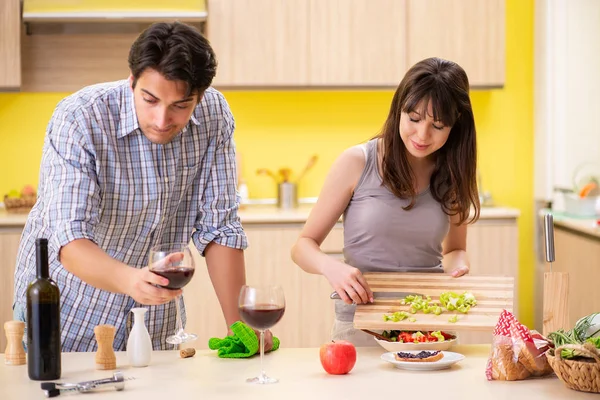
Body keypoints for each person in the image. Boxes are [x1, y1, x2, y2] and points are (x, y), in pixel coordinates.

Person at [13, 22, 272, 352]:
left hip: (154, 321)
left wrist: (242, 326)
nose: (162, 120)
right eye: (150, 99)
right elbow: (68, 237)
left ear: (200, 95)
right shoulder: (80, 118)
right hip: (68, 314)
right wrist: (131, 281)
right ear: (132, 80)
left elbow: (219, 228)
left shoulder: (214, 116)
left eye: (180, 105)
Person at [291, 57, 480, 346]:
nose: (422, 135)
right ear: (399, 110)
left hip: (428, 325)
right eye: (414, 119)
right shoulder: (357, 161)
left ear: (456, 126)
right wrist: (332, 268)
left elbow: (454, 249)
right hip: (361, 324)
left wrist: (458, 267)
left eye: (438, 126)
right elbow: (302, 246)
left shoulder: (453, 173)